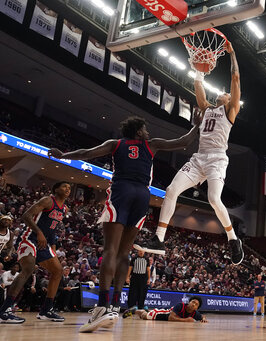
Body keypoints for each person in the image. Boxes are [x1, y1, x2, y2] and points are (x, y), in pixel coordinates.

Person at [48, 116, 199, 332]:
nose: (147, 132)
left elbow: (86, 153)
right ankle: (115, 306)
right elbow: (183, 142)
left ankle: (101, 306)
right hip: (142, 197)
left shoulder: (115, 144)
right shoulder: (152, 144)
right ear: (138, 132)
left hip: (121, 191)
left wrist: (63, 155)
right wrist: (197, 124)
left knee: (110, 250)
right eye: (144, 129)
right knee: (124, 253)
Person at [135, 41, 244, 266]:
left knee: (214, 199)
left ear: (229, 100)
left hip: (216, 159)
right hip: (198, 159)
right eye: (222, 92)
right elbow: (198, 88)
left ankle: (233, 239)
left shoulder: (230, 110)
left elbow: (235, 79)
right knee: (171, 189)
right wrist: (199, 71)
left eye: (225, 93)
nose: (222, 93)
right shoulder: (206, 108)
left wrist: (232, 54)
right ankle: (159, 239)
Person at [0, 182, 70, 323]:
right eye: (64, 186)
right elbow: (26, 216)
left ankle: (46, 310)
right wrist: (38, 232)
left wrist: (54, 246)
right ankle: (4, 311)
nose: (67, 189)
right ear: (56, 189)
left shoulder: (64, 209)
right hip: (29, 238)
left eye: (69, 187)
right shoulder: (47, 200)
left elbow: (52, 229)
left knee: (58, 271)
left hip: (44, 243)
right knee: (29, 268)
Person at [124, 296, 207, 323]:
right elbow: (171, 318)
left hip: (170, 314)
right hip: (166, 314)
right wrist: (186, 320)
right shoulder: (180, 305)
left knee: (149, 313)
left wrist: (203, 319)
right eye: (193, 302)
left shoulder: (195, 313)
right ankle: (135, 310)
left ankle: (147, 309)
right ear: (189, 302)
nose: (193, 304)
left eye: (196, 304)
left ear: (197, 308)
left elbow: (202, 316)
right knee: (145, 316)